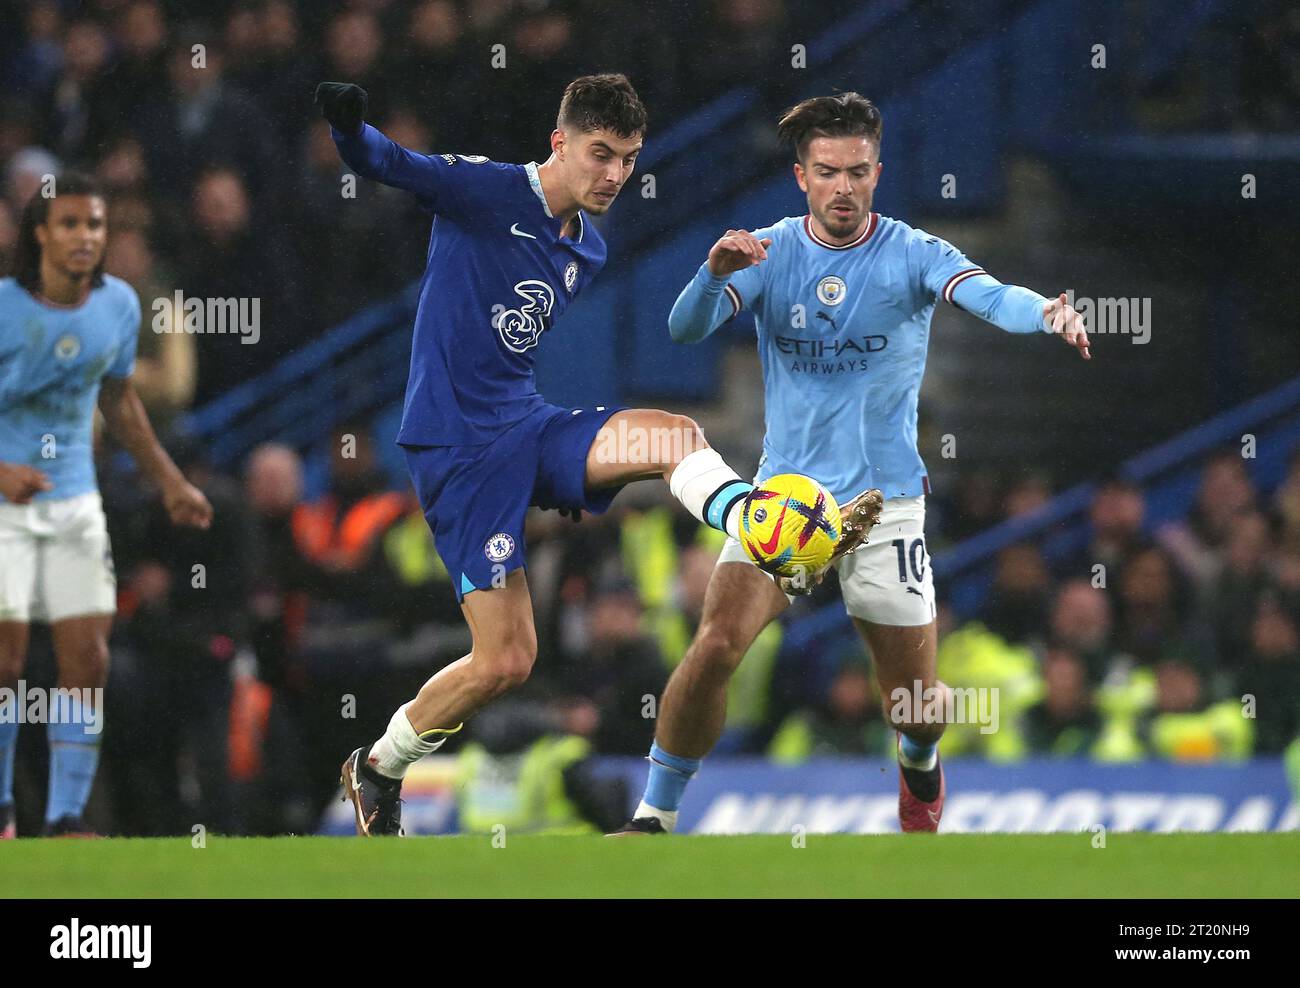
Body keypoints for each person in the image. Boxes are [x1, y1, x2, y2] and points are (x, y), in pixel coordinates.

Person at [314, 75, 877, 836]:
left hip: (528, 423)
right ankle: (377, 765)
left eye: (629, 160)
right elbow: (392, 163)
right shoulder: (486, 191)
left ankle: (757, 525)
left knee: (672, 435)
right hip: (460, 448)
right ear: (560, 143)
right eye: (600, 154)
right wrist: (349, 128)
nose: (614, 175)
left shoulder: (591, 248)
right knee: (507, 660)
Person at [615, 92, 1091, 835]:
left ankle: (920, 764)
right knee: (715, 646)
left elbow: (990, 296)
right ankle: (652, 817)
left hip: (884, 507)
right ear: (802, 176)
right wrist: (711, 273)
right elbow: (685, 330)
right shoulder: (767, 253)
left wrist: (1047, 312)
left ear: (877, 171)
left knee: (915, 704)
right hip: (785, 506)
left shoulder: (913, 253)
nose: (845, 186)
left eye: (859, 172)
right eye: (829, 172)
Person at [0, 172, 212, 838]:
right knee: (6, 664)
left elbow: (118, 403)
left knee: (87, 661)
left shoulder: (119, 305)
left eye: (95, 225)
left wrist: (170, 482)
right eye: (70, 224)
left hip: (75, 502)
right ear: (40, 234)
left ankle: (65, 818)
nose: (86, 236)